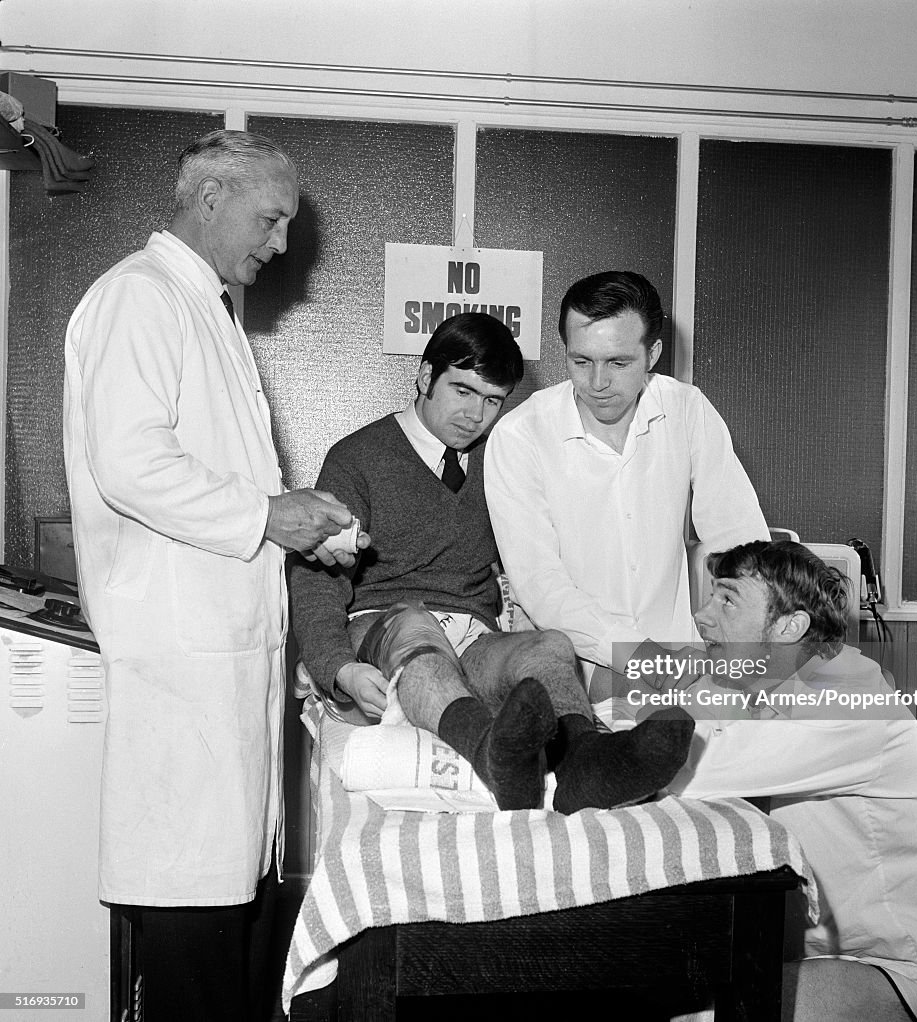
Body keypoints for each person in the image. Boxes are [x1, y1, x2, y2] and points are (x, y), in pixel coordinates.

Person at [63, 129, 366, 1022]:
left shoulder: (206, 308)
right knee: (188, 941)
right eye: (270, 220)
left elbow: (209, 479)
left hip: (220, 660)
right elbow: (129, 463)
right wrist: (268, 516)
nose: (279, 244)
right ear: (208, 199)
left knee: (223, 926)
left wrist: (291, 526)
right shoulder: (138, 299)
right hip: (180, 662)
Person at [289, 312, 693, 815]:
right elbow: (314, 583)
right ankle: (490, 753)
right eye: (462, 391)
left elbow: (535, 566)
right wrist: (338, 670)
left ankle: (584, 763)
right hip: (384, 626)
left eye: (492, 401)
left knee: (551, 644)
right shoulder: (357, 457)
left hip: (473, 633)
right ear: (424, 376)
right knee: (417, 629)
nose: (475, 415)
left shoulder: (500, 458)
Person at [668, 540, 917, 1022]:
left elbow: (685, 771)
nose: (701, 615)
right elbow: (661, 734)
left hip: (909, 971)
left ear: (789, 626)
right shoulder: (748, 680)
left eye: (727, 599)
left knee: (701, 1017)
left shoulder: (847, 697)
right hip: (819, 952)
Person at [484, 270, 770, 695]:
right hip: (580, 666)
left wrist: (732, 644)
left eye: (618, 363)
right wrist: (640, 657)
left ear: (652, 353)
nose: (597, 384)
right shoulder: (519, 435)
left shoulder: (687, 410)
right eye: (581, 362)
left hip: (689, 658)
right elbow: (540, 583)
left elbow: (739, 543)